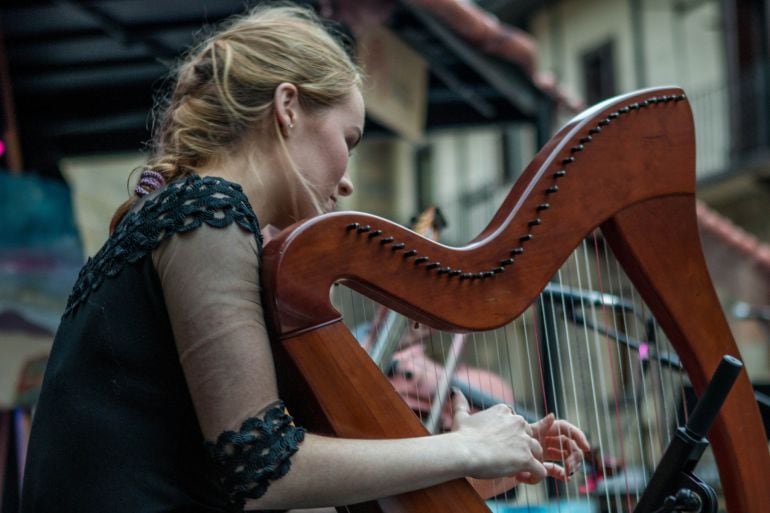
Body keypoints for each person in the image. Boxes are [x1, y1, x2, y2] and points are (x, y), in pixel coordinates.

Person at [21, 4, 590, 512]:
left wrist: (460, 465)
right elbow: (266, 472)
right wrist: (463, 445)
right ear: (288, 106)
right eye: (350, 140)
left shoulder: (187, 218)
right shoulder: (207, 211)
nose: (346, 184)